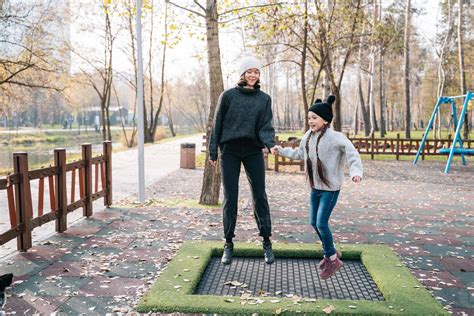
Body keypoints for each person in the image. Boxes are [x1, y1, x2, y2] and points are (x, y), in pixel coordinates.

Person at [276, 95, 363, 279]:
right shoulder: (308, 136)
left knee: (322, 223)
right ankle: (329, 253)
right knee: (314, 223)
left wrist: (356, 172)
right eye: (309, 118)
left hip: (330, 188)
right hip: (315, 187)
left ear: (325, 120)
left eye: (314, 118)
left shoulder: (336, 137)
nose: (310, 121)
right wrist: (281, 150)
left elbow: (352, 153)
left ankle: (332, 259)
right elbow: (299, 153)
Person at [209, 54, 278, 265]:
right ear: (242, 74)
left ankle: (266, 242)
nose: (252, 75)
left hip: (253, 151)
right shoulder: (228, 96)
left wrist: (270, 144)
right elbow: (217, 124)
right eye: (249, 71)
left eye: (256, 72)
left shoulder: (264, 99)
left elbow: (265, 126)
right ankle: (228, 244)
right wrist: (213, 151)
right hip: (229, 151)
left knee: (260, 195)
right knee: (230, 197)